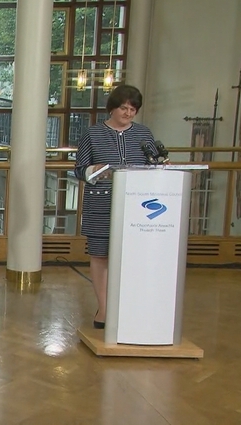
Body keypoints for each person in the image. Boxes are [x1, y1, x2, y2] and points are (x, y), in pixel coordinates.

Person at [74, 84, 156, 330]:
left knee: (130, 257)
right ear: (113, 107)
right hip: (101, 203)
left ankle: (128, 307)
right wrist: (96, 171)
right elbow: (79, 169)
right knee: (100, 255)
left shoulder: (144, 134)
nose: (129, 113)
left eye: (133, 109)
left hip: (136, 205)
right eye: (124, 107)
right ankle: (104, 308)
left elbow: (154, 164)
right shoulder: (93, 133)